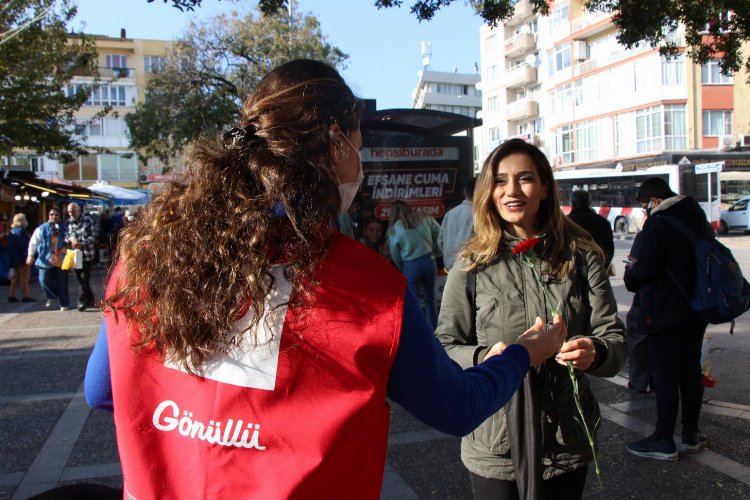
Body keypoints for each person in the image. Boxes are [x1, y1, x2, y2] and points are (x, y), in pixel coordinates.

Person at [83, 59, 567, 500]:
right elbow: (456, 407)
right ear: (336, 142)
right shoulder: (371, 290)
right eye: (358, 146)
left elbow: (102, 390)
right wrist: (524, 353)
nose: (359, 162)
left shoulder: (149, 252)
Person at [435, 138, 626, 500]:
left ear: (544, 188)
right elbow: (446, 346)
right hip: (494, 440)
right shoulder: (472, 262)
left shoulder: (580, 255)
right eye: (500, 181)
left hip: (565, 440)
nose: (512, 190)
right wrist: (486, 357)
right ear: (488, 192)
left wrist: (595, 351)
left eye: (524, 178)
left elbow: (614, 339)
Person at [624, 177, 711, 460]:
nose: (644, 211)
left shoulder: (658, 225)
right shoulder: (698, 218)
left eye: (644, 205)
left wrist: (631, 272)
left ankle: (663, 439)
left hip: (663, 313)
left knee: (665, 376)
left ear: (656, 200)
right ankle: (690, 434)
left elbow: (639, 273)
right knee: (689, 372)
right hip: (696, 309)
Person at [388, 200, 442, 329]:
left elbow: (394, 252)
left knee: (415, 302)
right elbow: (439, 232)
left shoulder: (395, 228)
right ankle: (434, 330)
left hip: (410, 265)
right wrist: (436, 250)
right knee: (431, 300)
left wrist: (402, 267)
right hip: (429, 260)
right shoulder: (424, 218)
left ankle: (420, 330)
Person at [27, 208, 71, 311]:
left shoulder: (65, 228)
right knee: (43, 280)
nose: (54, 217)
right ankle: (52, 295)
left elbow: (70, 240)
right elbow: (33, 242)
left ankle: (64, 304)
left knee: (62, 282)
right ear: (48, 216)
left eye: (56, 215)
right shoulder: (41, 228)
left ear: (59, 216)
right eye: (52, 214)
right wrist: (30, 255)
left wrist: (68, 248)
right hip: (45, 259)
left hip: (60, 259)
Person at [566, 189, 614, 267]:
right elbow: (609, 251)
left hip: (569, 273)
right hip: (597, 269)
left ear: (572, 203)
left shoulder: (563, 223)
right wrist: (601, 269)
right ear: (589, 203)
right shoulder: (603, 223)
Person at [65, 203, 99, 311]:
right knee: (80, 278)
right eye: (69, 212)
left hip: (87, 254)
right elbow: (66, 236)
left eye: (73, 211)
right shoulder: (68, 222)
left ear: (79, 210)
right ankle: (90, 298)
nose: (71, 214)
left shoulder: (88, 220)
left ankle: (82, 301)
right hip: (75, 254)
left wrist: (81, 243)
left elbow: (93, 237)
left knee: (85, 278)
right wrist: (71, 240)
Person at [438, 176, 476, 271]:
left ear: (464, 192)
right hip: (469, 268)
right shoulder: (479, 215)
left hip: (450, 266)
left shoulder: (450, 214)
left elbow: (440, 241)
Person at [7, 213, 35, 302]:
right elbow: (23, 245)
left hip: (14, 258)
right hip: (22, 257)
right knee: (24, 277)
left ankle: (12, 295)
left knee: (15, 277)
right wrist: (28, 256)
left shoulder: (12, 231)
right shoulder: (22, 231)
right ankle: (25, 295)